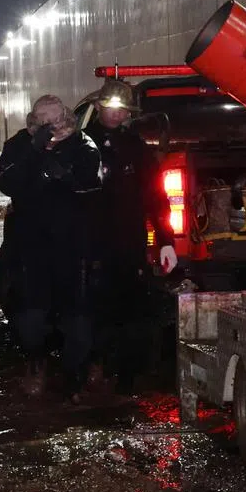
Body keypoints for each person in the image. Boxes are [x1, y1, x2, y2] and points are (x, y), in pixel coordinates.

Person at [0, 94, 102, 403]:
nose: (51, 127)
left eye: (56, 121)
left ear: (66, 118)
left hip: (73, 243)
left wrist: (63, 175)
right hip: (30, 243)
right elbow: (2, 179)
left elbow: (92, 183)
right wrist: (32, 152)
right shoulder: (20, 144)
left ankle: (76, 376)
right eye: (43, 122)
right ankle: (35, 362)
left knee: (77, 313)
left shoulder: (83, 144)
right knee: (30, 310)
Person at [85, 79, 177, 393]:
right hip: (90, 244)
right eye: (110, 108)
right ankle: (94, 365)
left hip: (128, 243)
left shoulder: (136, 148)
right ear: (98, 108)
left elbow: (156, 196)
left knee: (130, 310)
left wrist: (166, 240)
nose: (115, 114)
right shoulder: (81, 146)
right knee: (92, 308)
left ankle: (125, 375)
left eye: (121, 109)